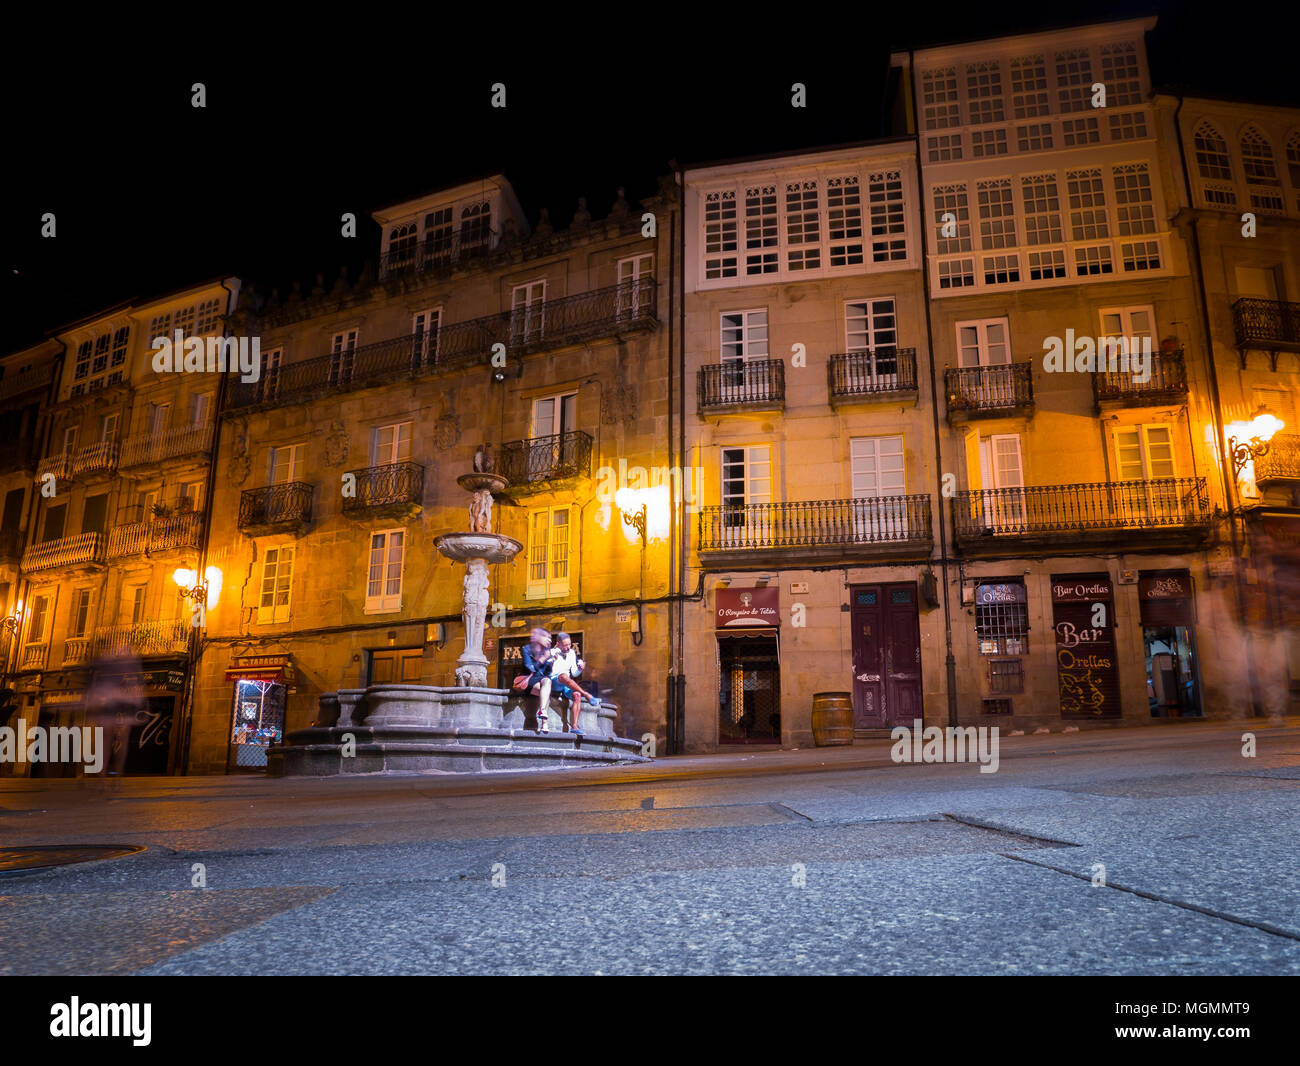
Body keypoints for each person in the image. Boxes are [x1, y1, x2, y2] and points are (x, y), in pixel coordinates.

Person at [547, 632, 600, 735]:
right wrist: (552, 659)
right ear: (558, 644)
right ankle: (587, 695)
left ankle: (574, 726)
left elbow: (574, 673)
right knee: (563, 676)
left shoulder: (571, 653)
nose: (568, 647)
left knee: (577, 695)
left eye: (569, 644)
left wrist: (580, 669)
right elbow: (547, 669)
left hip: (565, 682)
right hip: (554, 681)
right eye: (565, 645)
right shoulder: (552, 652)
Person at [520, 628, 557, 733]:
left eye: (550, 638)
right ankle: (544, 723)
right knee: (545, 691)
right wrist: (542, 659)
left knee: (547, 684)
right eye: (547, 637)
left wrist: (551, 664)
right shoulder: (526, 649)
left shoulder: (547, 652)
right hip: (530, 680)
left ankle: (542, 713)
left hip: (542, 681)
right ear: (539, 637)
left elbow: (548, 673)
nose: (550, 640)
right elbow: (529, 668)